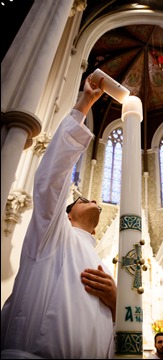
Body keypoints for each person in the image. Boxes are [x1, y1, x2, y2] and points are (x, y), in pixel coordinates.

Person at [1, 74, 117, 359]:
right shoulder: (53, 235)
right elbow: (50, 178)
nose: (90, 199)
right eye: (79, 200)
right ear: (63, 217)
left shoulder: (101, 262)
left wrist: (116, 303)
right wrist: (84, 103)